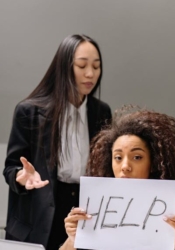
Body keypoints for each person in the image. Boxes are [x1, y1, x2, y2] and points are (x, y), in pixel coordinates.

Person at [3, 34, 112, 250]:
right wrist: (21, 177)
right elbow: (10, 168)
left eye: (96, 67)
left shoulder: (102, 112)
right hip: (40, 214)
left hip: (83, 210)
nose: (90, 73)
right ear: (64, 67)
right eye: (82, 65)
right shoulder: (29, 111)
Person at [60, 107, 175, 250]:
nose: (125, 166)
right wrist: (72, 239)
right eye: (118, 157)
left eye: (137, 157)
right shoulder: (95, 204)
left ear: (153, 163)